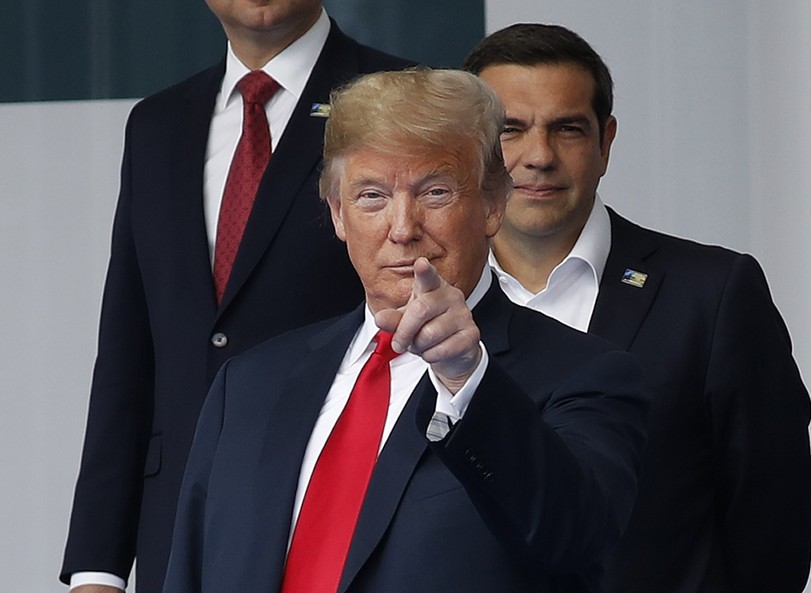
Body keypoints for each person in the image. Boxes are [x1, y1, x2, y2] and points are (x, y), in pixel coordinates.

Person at [161, 68, 649, 593]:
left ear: (492, 204)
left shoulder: (585, 374)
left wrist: (468, 383)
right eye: (372, 196)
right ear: (338, 215)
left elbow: (573, 538)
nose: (402, 228)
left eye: (435, 191)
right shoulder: (248, 385)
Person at [60, 3, 413, 592]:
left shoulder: (402, 99)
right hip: (177, 528)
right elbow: (128, 350)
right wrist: (97, 567)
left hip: (337, 518)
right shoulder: (157, 123)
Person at [464, 23, 811, 593]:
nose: (538, 157)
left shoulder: (713, 295)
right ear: (468, 145)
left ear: (605, 141)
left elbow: (772, 520)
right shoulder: (424, 304)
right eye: (510, 130)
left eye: (568, 129)